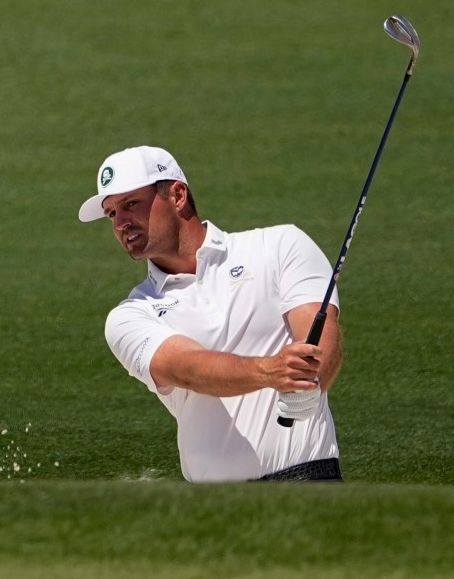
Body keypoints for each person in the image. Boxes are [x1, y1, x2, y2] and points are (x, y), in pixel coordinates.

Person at [78, 145, 343, 482]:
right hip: (215, 503)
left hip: (311, 481)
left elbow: (321, 335)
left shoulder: (280, 245)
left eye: (131, 204)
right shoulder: (129, 316)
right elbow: (187, 368)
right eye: (111, 213)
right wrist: (270, 371)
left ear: (177, 195)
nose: (121, 223)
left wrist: (311, 382)